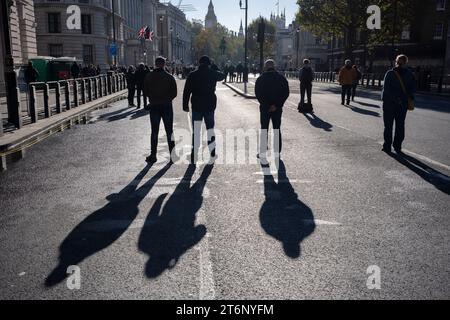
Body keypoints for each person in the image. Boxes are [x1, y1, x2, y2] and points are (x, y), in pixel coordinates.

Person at [183, 55, 226, 164]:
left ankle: (194, 154)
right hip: (209, 105)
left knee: (196, 131)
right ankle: (212, 152)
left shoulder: (193, 75)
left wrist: (185, 105)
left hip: (197, 105)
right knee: (210, 130)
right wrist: (215, 67)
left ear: (199, 63)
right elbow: (223, 76)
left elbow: (187, 91)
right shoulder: (212, 73)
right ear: (208, 63)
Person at [144, 57, 178, 164]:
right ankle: (173, 156)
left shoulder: (149, 76)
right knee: (169, 131)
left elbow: (145, 91)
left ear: (155, 64)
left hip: (154, 106)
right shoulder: (169, 77)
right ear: (164, 64)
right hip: (166, 106)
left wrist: (152, 99)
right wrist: (167, 99)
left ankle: (153, 155)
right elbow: (174, 93)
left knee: (154, 131)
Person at [255, 59, 290, 163]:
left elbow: (258, 94)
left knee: (264, 129)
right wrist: (277, 105)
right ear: (274, 66)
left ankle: (263, 151)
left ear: (266, 67)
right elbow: (286, 93)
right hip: (277, 108)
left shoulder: (261, 79)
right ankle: (277, 152)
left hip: (265, 108)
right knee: (276, 129)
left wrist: (266, 105)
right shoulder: (281, 78)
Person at [381, 54, 416, 154]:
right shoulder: (410, 74)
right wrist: (403, 98)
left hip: (389, 104)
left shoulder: (390, 73)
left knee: (388, 126)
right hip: (403, 104)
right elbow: (413, 89)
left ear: (396, 62)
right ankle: (397, 146)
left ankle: (387, 146)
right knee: (400, 125)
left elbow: (386, 90)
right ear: (405, 62)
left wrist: (395, 98)